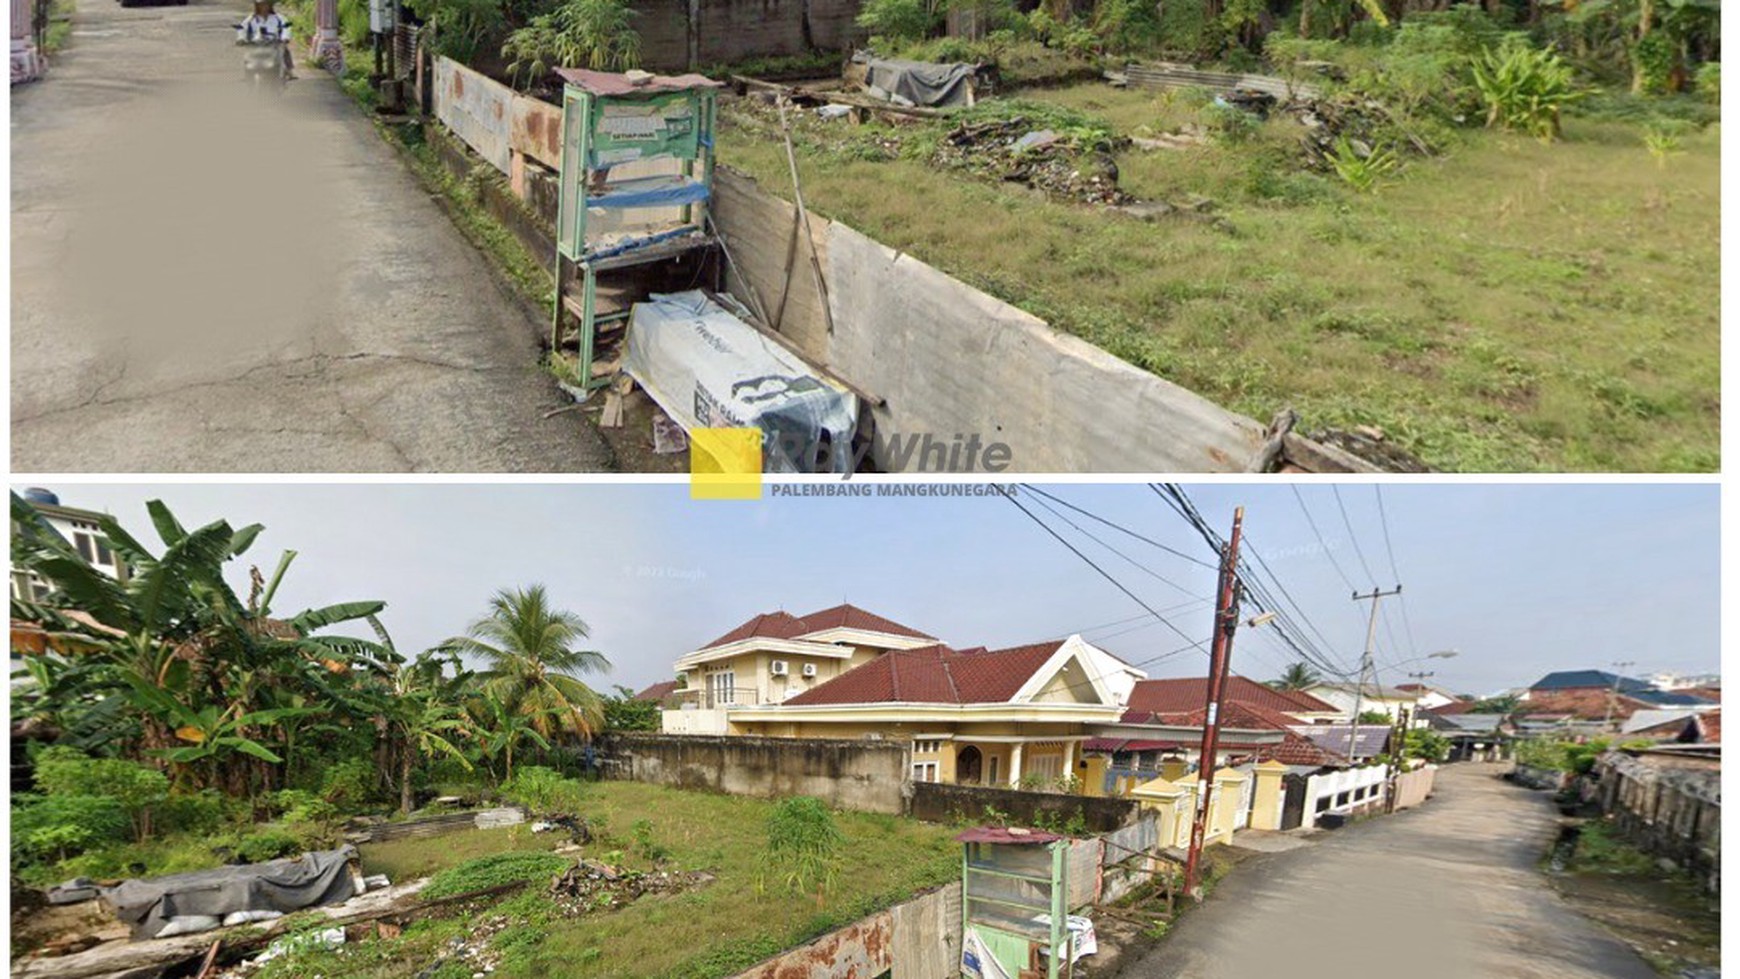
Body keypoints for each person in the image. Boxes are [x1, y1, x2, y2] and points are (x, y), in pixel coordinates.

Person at [237, 0, 295, 80]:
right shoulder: (251, 19)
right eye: (260, 5)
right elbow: (242, 28)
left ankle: (289, 71)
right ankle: (248, 75)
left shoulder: (278, 18)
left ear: (270, 6)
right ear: (257, 6)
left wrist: (285, 38)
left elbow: (286, 27)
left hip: (273, 43)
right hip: (256, 44)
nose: (263, 7)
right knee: (248, 56)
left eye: (265, 5)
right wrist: (241, 39)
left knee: (285, 50)